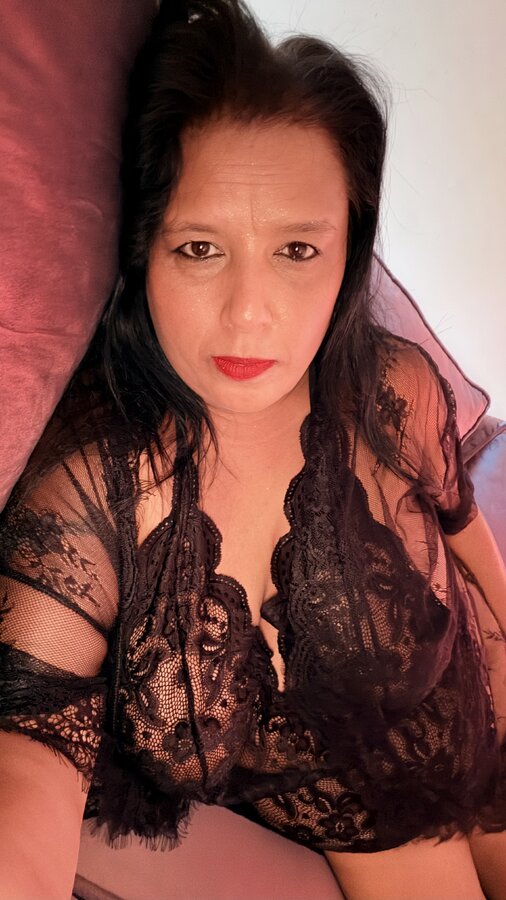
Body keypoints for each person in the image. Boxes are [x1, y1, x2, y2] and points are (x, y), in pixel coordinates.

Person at [1, 1, 506, 898]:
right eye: (201, 248)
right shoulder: (91, 497)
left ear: (346, 253)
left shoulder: (392, 387)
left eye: (297, 249)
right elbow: (24, 759)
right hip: (374, 824)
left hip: (486, 706)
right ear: (145, 250)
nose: (248, 314)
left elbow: (459, 519)